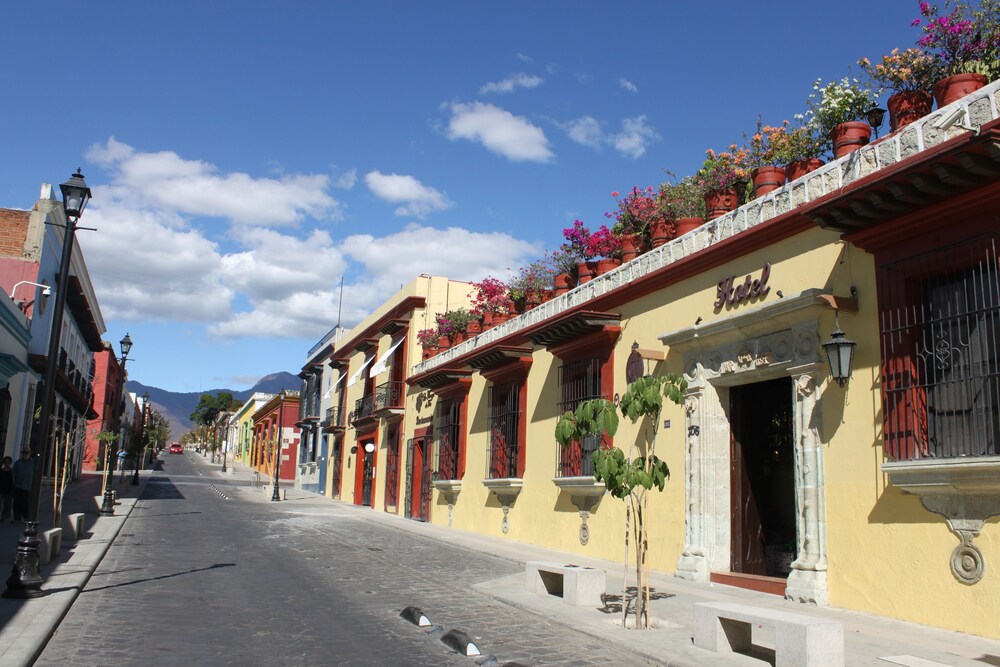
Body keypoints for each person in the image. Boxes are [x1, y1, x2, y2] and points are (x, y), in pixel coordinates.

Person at [11, 447, 34, 522]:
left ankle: (25, 516)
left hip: (28, 486)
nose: (25, 454)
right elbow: (14, 473)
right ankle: (17, 517)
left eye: (27, 453)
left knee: (25, 502)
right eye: (24, 453)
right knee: (16, 502)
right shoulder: (18, 463)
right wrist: (14, 482)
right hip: (18, 485)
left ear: (30, 454)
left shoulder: (33, 463)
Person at [0, 455, 13, 521]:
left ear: (10, 463)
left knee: (7, 504)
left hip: (8, 490)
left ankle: (4, 516)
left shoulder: (12, 472)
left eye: (8, 462)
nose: (6, 463)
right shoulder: (1, 471)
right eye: (5, 461)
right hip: (1, 489)